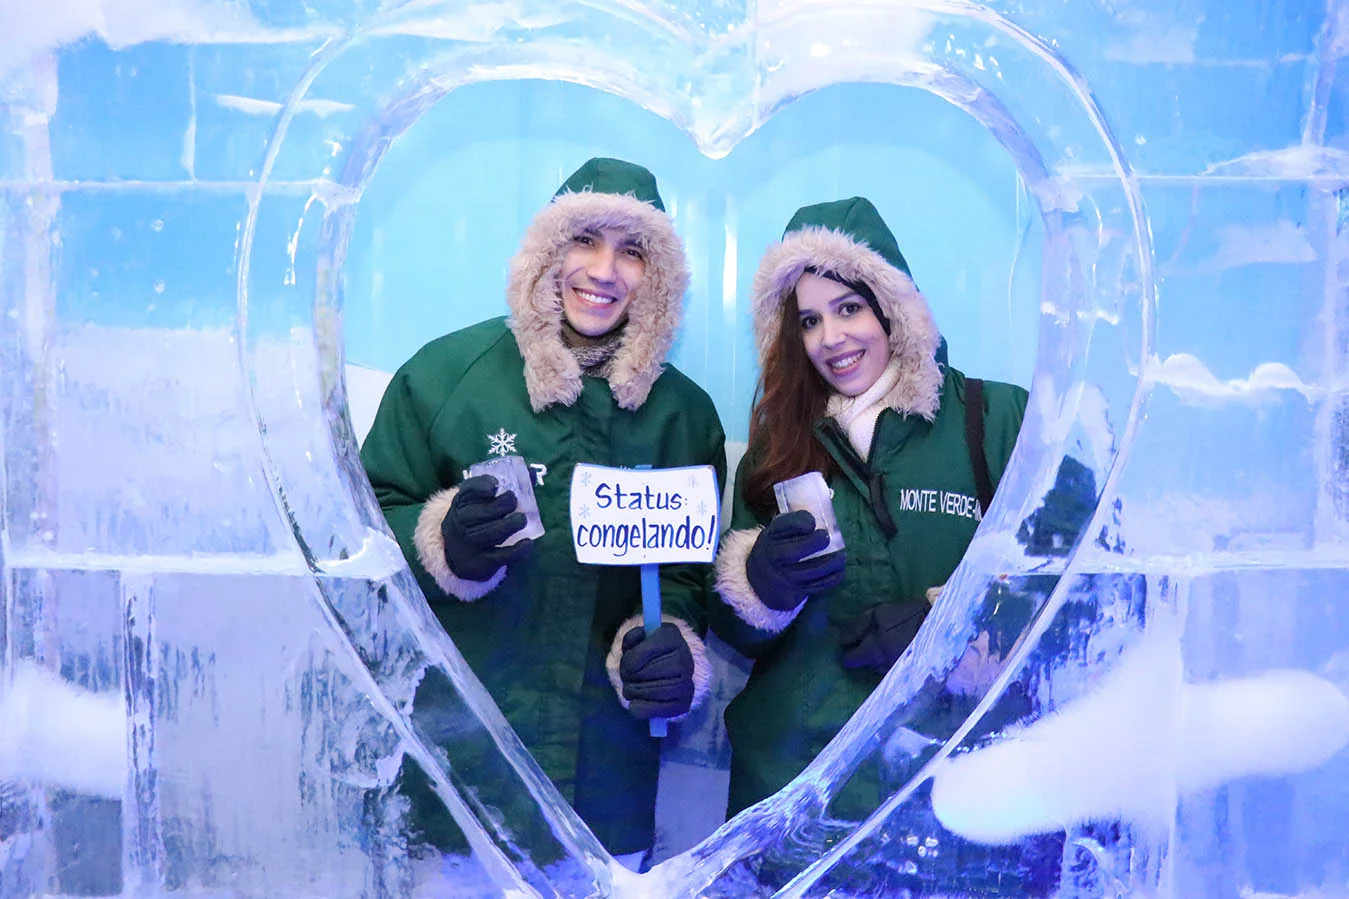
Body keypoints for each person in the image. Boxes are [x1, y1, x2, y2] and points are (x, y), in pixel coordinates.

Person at [360, 157, 727, 864]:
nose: (604, 270)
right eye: (584, 240)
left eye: (632, 252)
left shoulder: (682, 414)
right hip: (458, 775)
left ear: (659, 279)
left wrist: (669, 645)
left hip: (605, 790)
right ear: (546, 252)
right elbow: (367, 522)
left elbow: (686, 571)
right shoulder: (446, 375)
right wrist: (441, 540)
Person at [710, 196, 1031, 820]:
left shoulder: (996, 421)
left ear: (894, 308)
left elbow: (1088, 585)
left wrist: (948, 629)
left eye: (849, 308)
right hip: (796, 799)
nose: (831, 339)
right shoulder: (778, 448)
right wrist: (759, 583)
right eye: (808, 321)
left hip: (948, 800)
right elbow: (734, 635)